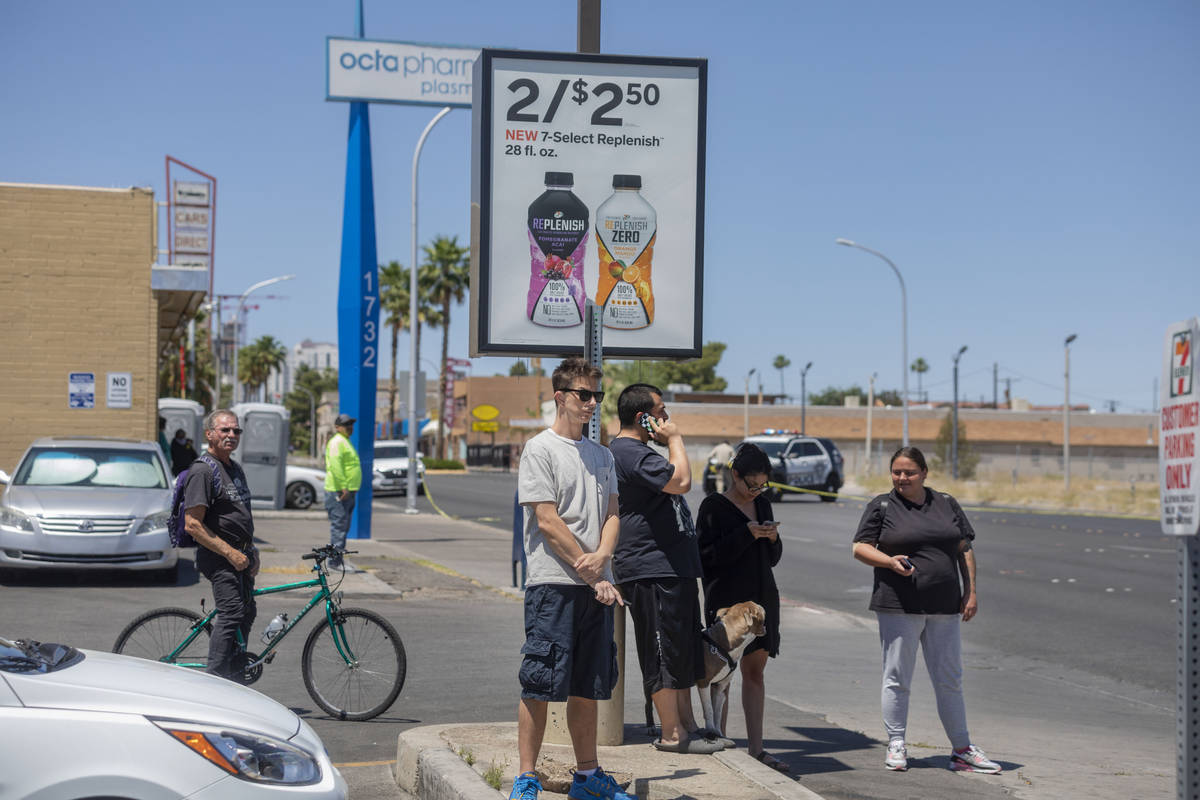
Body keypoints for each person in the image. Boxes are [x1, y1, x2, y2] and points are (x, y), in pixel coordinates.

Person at [510, 357, 634, 800]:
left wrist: (602, 557)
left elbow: (613, 514)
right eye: (584, 395)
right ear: (560, 396)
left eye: (597, 397)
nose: (592, 404)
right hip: (552, 587)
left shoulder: (602, 455)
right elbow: (546, 519)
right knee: (539, 683)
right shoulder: (539, 449)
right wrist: (590, 568)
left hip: (597, 584)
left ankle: (588, 776)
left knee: (589, 685)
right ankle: (526, 777)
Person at [851, 446, 1000, 774]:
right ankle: (896, 743)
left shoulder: (945, 503)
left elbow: (964, 548)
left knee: (949, 678)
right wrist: (889, 561)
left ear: (924, 473)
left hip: (945, 606)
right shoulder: (882, 506)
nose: (902, 478)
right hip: (898, 605)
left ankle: (962, 749)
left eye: (909, 472)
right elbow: (859, 547)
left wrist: (970, 592)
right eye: (896, 472)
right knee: (897, 676)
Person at [609, 384, 720, 755]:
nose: (667, 418)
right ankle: (673, 734)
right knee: (662, 652)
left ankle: (687, 725)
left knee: (681, 650)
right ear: (643, 417)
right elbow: (682, 481)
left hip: (674, 569)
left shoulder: (639, 452)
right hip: (651, 569)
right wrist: (675, 439)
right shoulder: (628, 452)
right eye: (661, 411)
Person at [696, 443, 789, 772]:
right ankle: (716, 742)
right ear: (734, 475)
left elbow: (772, 560)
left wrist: (773, 540)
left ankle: (756, 748)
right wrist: (744, 534)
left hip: (762, 599)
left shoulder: (763, 504)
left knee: (755, 673)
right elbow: (705, 558)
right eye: (751, 484)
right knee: (722, 676)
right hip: (727, 603)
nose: (756, 491)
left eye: (762, 484)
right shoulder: (713, 507)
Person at [182, 409, 259, 681]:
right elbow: (193, 524)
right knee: (232, 612)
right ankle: (213, 682)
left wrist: (252, 551)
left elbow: (243, 514)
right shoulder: (203, 471)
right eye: (224, 430)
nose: (231, 435)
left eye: (236, 430)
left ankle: (234, 676)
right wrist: (230, 553)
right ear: (210, 434)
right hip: (218, 556)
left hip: (241, 554)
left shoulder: (234, 468)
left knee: (248, 612)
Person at [324, 413, 361, 569]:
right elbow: (336, 466)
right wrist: (343, 487)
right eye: (346, 425)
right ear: (338, 427)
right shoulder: (337, 442)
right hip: (339, 491)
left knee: (343, 526)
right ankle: (334, 562)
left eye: (351, 425)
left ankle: (338, 559)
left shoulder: (345, 441)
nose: (350, 428)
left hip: (348, 491)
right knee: (339, 527)